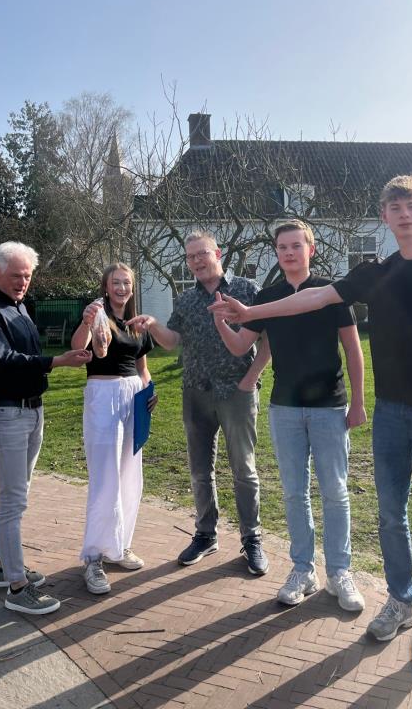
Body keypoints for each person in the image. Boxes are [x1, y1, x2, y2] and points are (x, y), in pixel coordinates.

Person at [209, 176, 412, 640]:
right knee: (391, 517)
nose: (403, 214)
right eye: (394, 207)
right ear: (385, 217)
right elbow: (313, 298)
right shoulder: (375, 273)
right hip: (391, 413)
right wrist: (251, 314)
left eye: (411, 206)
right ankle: (401, 601)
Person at [212, 220, 367, 611]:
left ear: (310, 249)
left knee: (335, 492)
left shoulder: (332, 292)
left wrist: (359, 402)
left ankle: (339, 572)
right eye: (282, 247)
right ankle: (303, 570)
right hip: (284, 408)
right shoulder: (268, 298)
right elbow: (240, 346)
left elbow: (353, 350)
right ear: (277, 253)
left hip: (330, 407)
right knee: (295, 493)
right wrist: (221, 322)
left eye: (296, 245)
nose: (289, 253)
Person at [129, 231, 271, 575]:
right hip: (196, 392)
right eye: (190, 256)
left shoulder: (247, 290)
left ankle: (251, 538)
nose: (195, 261)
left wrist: (251, 377)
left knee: (244, 470)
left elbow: (269, 339)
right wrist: (153, 325)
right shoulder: (186, 300)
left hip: (236, 392)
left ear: (217, 254)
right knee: (199, 470)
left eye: (201, 254)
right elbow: (173, 341)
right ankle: (206, 534)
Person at [0, 241, 92, 615]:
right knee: (13, 499)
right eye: (16, 275)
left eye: (27, 276)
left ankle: (4, 568)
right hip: (6, 413)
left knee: (13, 495)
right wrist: (57, 362)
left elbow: (24, 356)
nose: (23, 282)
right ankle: (18, 587)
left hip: (31, 411)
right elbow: (2, 361)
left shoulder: (19, 305)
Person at [71, 263, 156, 595]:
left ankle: (118, 546)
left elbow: (143, 369)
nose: (122, 288)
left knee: (130, 476)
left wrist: (149, 391)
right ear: (106, 287)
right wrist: (86, 322)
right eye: (116, 283)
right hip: (103, 394)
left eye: (127, 283)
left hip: (133, 397)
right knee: (105, 477)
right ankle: (93, 556)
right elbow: (80, 348)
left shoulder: (136, 325)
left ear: (133, 288)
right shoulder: (97, 317)